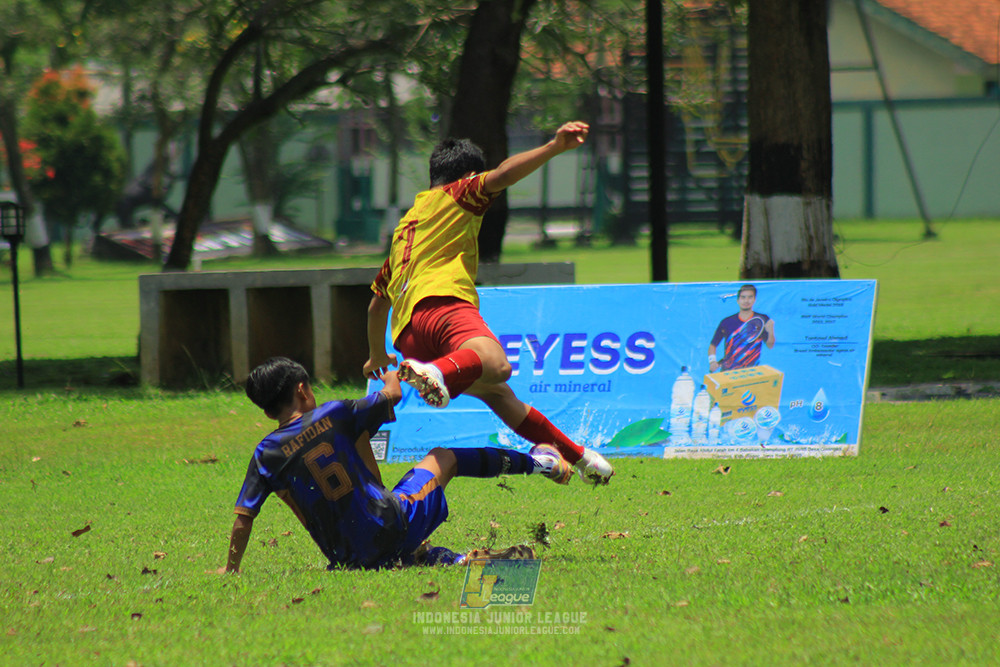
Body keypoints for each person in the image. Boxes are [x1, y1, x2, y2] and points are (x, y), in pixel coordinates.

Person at [363, 121, 614, 486]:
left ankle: (580, 457)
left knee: (499, 395)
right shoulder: (458, 193)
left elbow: (376, 304)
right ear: (467, 175)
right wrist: (553, 148)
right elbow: (501, 176)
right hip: (443, 302)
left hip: (409, 336)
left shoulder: (406, 229)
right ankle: (440, 374)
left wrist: (376, 356)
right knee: (497, 365)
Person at [222, 357, 573, 573]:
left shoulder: (265, 453)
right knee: (443, 458)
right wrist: (386, 369)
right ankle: (542, 463)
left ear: (266, 409)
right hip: (389, 524)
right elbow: (393, 393)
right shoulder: (334, 414)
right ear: (302, 390)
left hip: (348, 557)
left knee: (363, 435)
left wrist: (231, 569)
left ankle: (445, 559)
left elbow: (243, 518)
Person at [708, 284, 776, 372]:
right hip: (728, 371)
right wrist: (712, 361)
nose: (746, 301)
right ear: (738, 300)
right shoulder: (727, 322)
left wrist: (771, 331)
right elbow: (713, 345)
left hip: (751, 372)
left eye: (750, 297)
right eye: (743, 297)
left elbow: (770, 345)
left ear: (754, 299)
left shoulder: (762, 319)